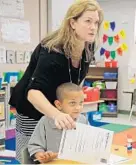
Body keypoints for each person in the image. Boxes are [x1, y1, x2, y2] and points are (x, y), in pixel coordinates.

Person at [8, 0, 103, 161]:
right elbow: (33, 93)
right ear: (72, 22)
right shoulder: (52, 50)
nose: (93, 27)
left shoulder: (88, 48)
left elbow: (75, 80)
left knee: (57, 154)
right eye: (88, 21)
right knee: (33, 155)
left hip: (57, 105)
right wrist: (57, 115)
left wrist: (73, 104)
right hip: (32, 107)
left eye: (96, 22)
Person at [28, 83, 87, 163]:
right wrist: (43, 156)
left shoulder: (83, 120)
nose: (78, 107)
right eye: (72, 103)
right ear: (59, 105)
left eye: (81, 103)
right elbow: (35, 145)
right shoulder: (45, 121)